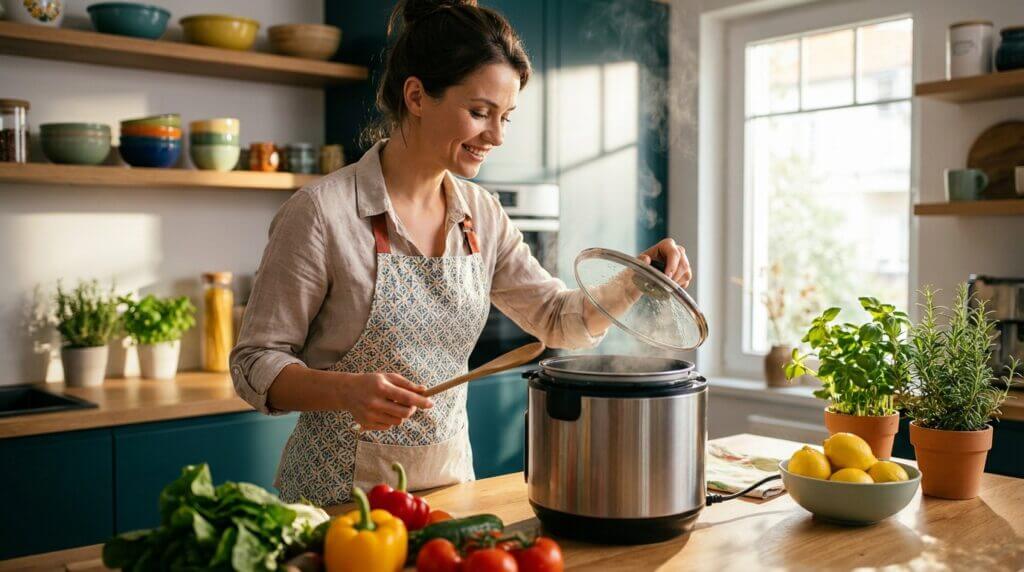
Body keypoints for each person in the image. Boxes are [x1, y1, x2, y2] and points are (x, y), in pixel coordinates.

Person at [229, 0, 692, 506]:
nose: (495, 136)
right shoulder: (322, 213)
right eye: (480, 113)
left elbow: (558, 320)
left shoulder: (482, 215)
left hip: (451, 493)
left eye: (506, 117)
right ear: (417, 96)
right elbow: (255, 361)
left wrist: (633, 277)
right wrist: (344, 391)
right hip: (339, 502)